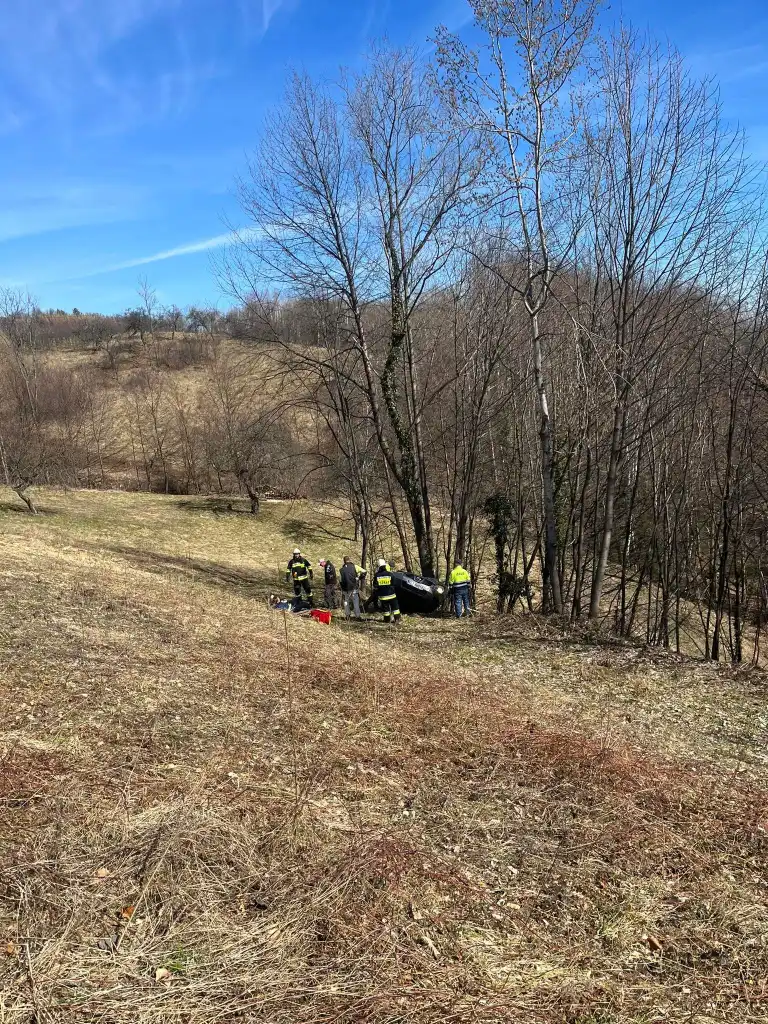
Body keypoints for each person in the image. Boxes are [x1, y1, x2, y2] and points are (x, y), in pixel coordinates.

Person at [373, 557, 401, 625]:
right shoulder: (390, 574)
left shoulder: (377, 575)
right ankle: (397, 619)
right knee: (395, 608)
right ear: (385, 565)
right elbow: (394, 583)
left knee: (386, 610)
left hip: (383, 596)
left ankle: (387, 620)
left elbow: (375, 586)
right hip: (391, 595)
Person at [339, 555, 366, 620]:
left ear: (344, 561)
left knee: (346, 602)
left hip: (345, 589)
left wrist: (342, 588)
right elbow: (364, 571)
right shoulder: (355, 567)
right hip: (354, 587)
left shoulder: (341, 570)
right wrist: (359, 578)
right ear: (349, 560)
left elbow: (340, 580)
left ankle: (347, 616)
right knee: (355, 602)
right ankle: (357, 616)